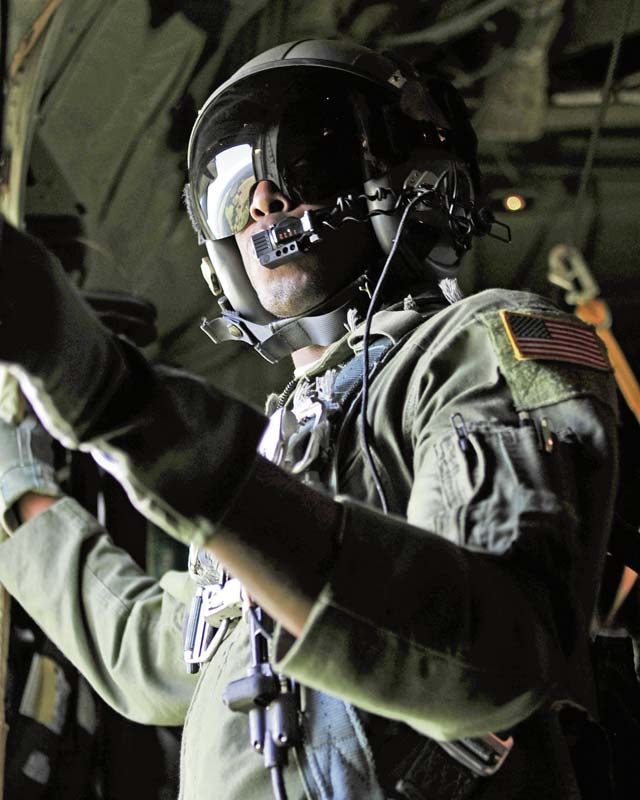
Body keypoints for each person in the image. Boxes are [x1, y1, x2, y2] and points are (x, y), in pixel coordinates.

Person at [0, 39, 620, 799]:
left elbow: (490, 656)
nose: (263, 202)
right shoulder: (283, 446)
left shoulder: (471, 350)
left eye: (304, 163)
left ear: (408, 180)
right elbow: (153, 657)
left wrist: (105, 390)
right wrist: (15, 488)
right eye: (233, 186)